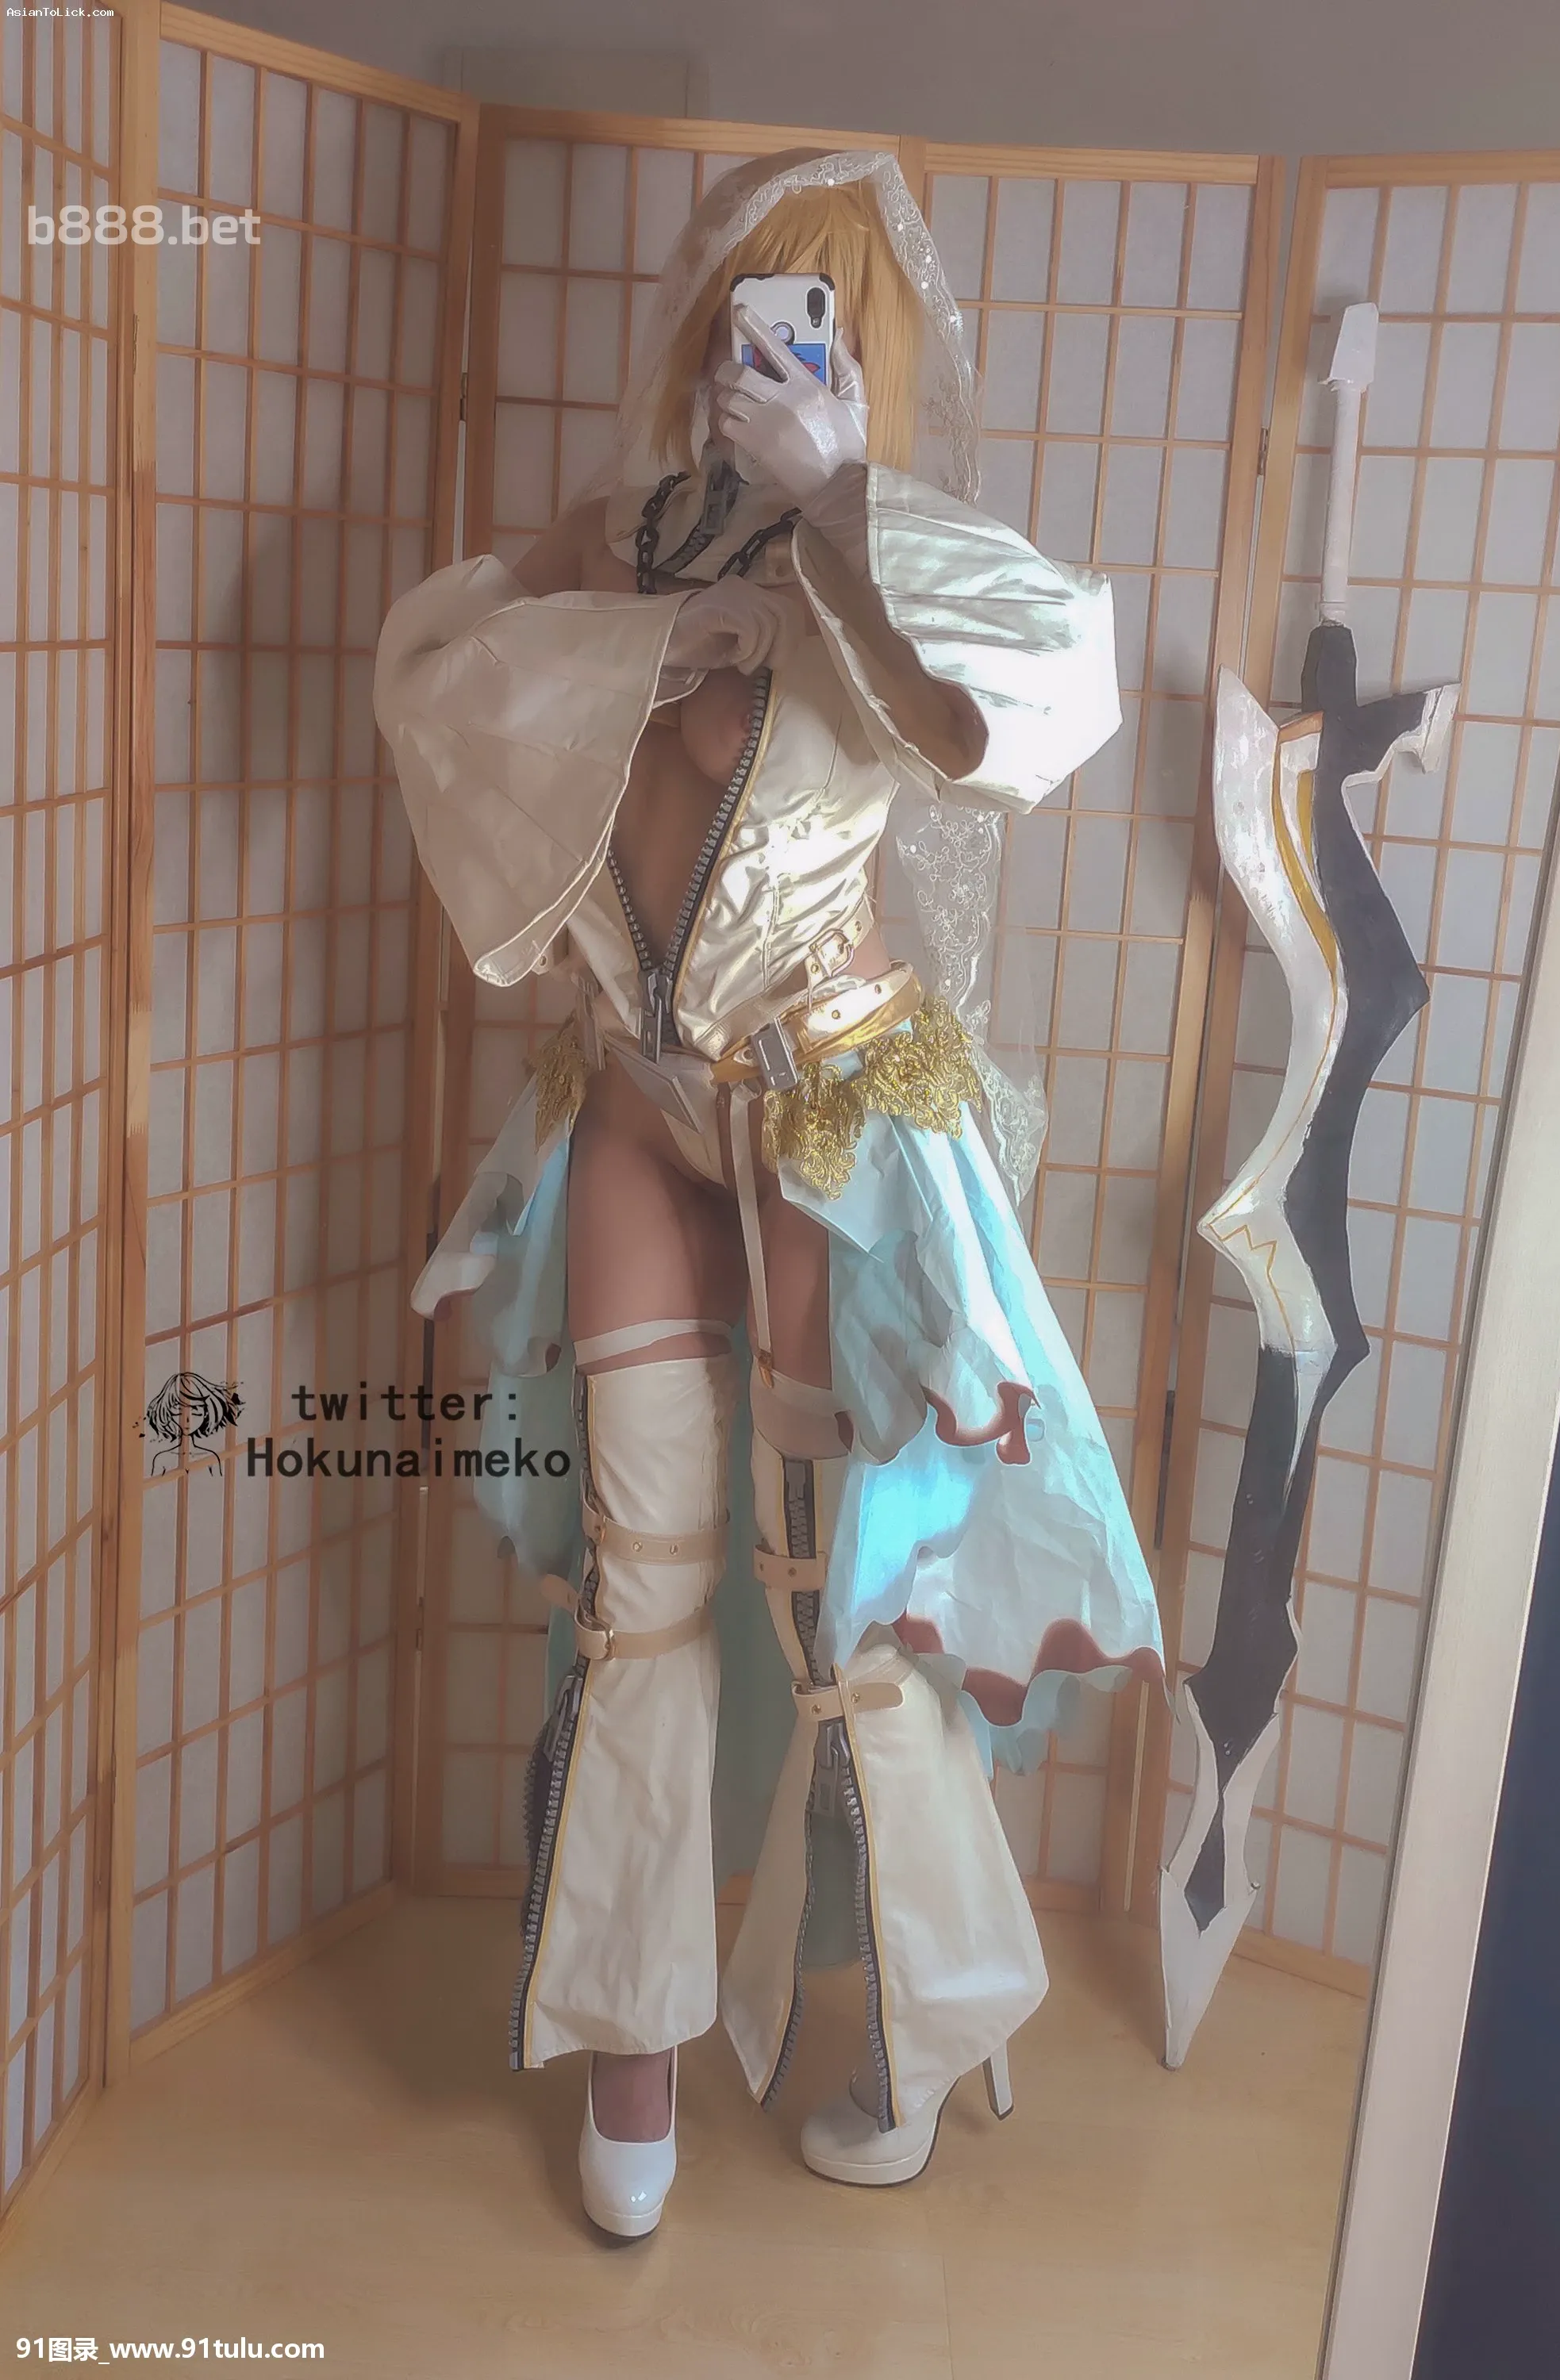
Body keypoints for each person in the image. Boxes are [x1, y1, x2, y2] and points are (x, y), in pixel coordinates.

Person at [374, 148, 1164, 2241]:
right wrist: (645, 651)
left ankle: (919, 2019)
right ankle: (630, 2038)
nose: (762, 340)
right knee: (641, 1582)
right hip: (638, 1103)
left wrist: (847, 503)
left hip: (832, 1108)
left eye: (810, 310)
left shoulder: (898, 557)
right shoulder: (620, 536)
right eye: (742, 299)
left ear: (862, 340)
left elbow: (1028, 708)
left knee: (845, 1592)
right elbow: (441, 673)